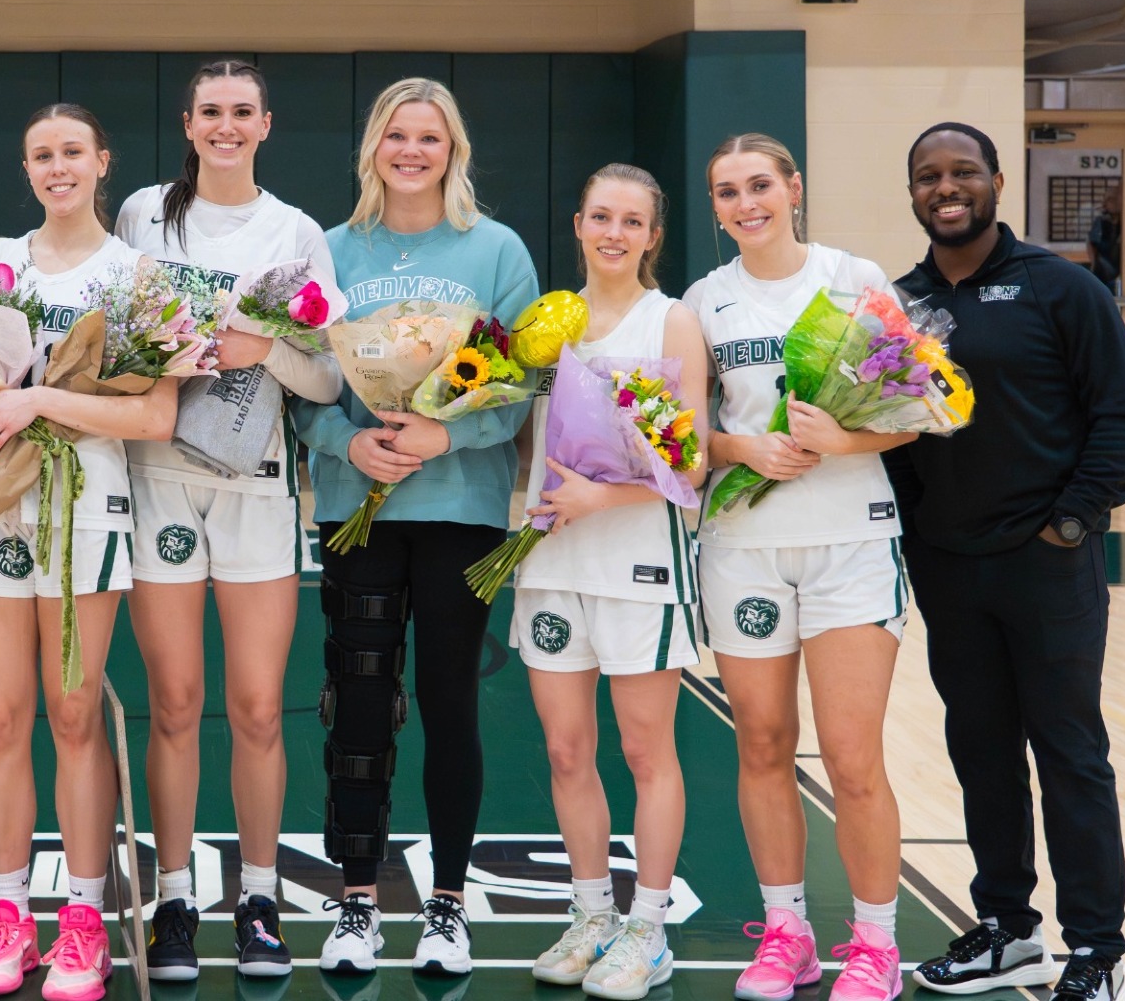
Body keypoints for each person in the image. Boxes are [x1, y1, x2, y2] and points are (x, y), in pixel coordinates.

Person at [0, 102, 180, 1001]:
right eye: (41, 155)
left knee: (71, 715)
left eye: (72, 152)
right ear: (26, 168)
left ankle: (84, 920)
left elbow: (152, 415)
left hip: (85, 504)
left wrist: (42, 406)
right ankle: (11, 913)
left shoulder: (137, 273)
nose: (57, 167)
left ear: (103, 161)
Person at [891, 123, 1125, 1001]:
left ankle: (1096, 952)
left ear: (997, 181)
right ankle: (1006, 927)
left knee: (1070, 753)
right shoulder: (897, 307)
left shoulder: (1059, 288)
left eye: (963, 171)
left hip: (1050, 564)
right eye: (930, 176)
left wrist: (1072, 525)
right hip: (950, 568)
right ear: (915, 194)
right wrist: (915, 531)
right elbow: (890, 439)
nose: (947, 187)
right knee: (980, 750)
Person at [288, 77, 538, 977]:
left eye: (429, 138)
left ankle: (447, 903)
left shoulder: (497, 250)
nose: (412, 151)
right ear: (374, 149)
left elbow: (517, 395)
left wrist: (445, 431)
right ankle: (355, 900)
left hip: (460, 510)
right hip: (358, 511)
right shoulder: (330, 249)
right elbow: (303, 385)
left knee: (448, 703)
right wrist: (346, 445)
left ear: (453, 150)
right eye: (397, 136)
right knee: (355, 703)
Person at [113, 58, 341, 982]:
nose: (226, 126)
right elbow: (114, 335)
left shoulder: (295, 230)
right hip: (159, 475)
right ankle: (175, 898)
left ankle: (258, 898)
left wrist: (267, 348)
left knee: (254, 708)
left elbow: (329, 378)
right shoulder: (140, 216)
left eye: (242, 112)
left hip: (257, 485)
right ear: (189, 121)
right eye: (212, 111)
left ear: (266, 124)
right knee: (174, 705)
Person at [684, 133, 914, 1001]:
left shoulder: (856, 280)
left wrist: (845, 438)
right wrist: (739, 443)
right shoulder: (704, 301)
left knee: (852, 758)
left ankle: (877, 946)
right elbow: (680, 427)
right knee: (764, 744)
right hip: (743, 544)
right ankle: (788, 936)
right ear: (714, 206)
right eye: (727, 192)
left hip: (851, 540)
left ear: (794, 189)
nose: (746, 204)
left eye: (759, 186)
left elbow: (917, 412)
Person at [516, 164, 707, 999]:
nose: (615, 233)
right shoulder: (544, 325)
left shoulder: (672, 323)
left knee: (643, 750)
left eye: (633, 221)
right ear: (579, 222)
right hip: (550, 558)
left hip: (639, 563)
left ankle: (648, 928)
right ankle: (592, 914)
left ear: (652, 236)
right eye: (601, 216)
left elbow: (689, 461)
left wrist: (606, 494)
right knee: (566, 749)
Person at [1084, 185, 1121, 296]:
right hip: (1103, 277)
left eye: (1110, 199)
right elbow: (1092, 245)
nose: (1104, 204)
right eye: (1104, 200)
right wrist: (1094, 266)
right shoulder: (1101, 222)